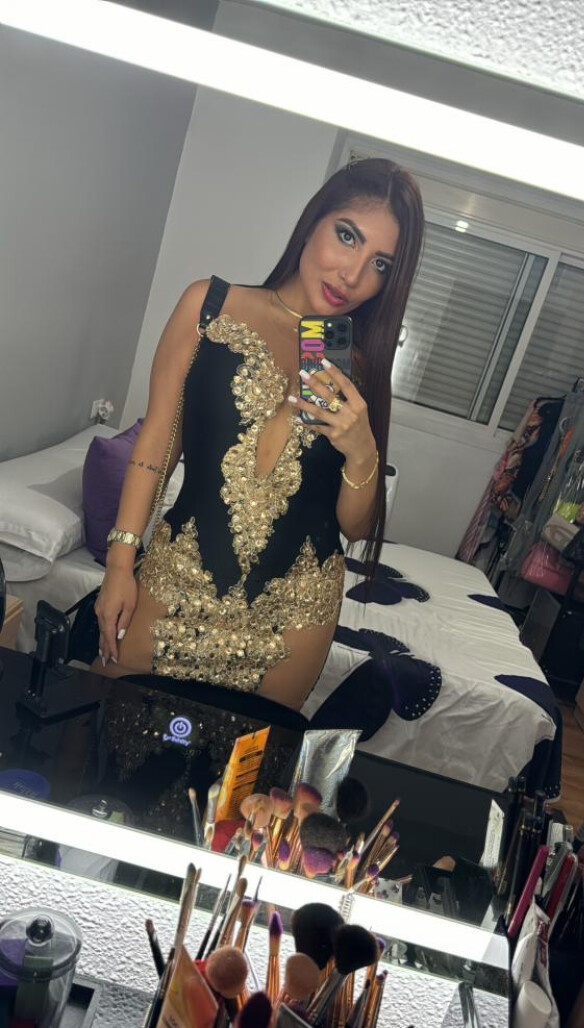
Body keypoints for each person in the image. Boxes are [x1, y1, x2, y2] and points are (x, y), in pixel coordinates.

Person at [93, 158, 424, 710]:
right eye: (347, 236)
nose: (352, 275)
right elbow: (156, 445)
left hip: (295, 615)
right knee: (110, 732)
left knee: (251, 763)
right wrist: (120, 563)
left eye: (380, 264)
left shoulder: (357, 365)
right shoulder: (211, 306)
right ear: (313, 221)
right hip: (175, 582)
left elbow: (355, 526)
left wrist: (363, 450)